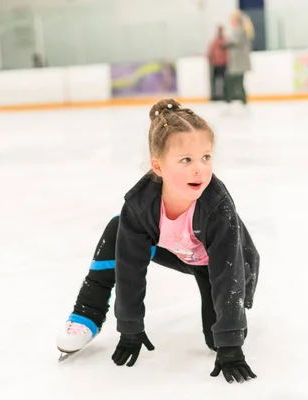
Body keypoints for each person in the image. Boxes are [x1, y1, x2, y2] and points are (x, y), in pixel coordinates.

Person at [57, 98, 260, 384]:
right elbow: (130, 268)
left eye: (206, 157)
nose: (199, 169)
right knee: (119, 229)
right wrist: (130, 326)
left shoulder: (218, 206)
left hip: (223, 263)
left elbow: (229, 274)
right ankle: (86, 314)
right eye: (186, 160)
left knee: (216, 341)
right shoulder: (140, 205)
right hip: (176, 250)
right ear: (158, 166)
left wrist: (230, 343)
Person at [225, 11, 254, 105]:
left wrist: (226, 44)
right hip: (241, 61)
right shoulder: (244, 29)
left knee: (233, 80)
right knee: (239, 81)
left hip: (238, 61)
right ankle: (242, 99)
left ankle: (232, 98)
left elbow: (235, 42)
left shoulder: (238, 30)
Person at [208, 25, 228, 101]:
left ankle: (225, 96)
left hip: (223, 64)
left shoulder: (225, 41)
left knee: (224, 81)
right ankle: (214, 96)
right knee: (215, 81)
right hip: (215, 64)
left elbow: (227, 53)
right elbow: (211, 51)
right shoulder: (214, 41)